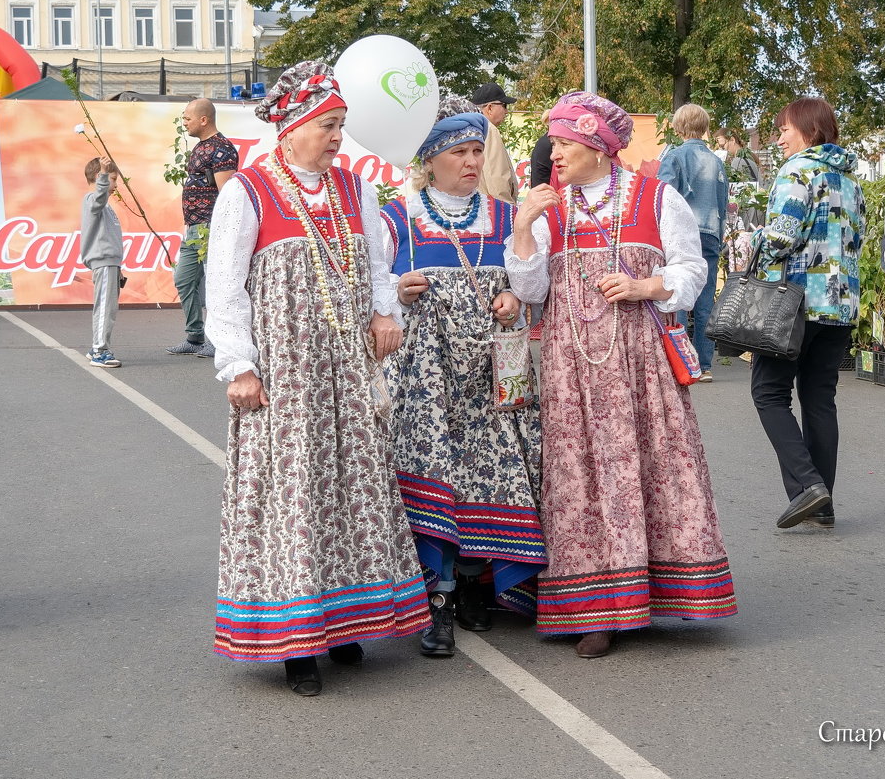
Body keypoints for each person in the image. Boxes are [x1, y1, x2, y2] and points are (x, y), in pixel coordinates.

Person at [204, 61, 430, 696]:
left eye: (341, 126)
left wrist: (385, 311)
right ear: (294, 125)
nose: (337, 137)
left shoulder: (353, 190)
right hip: (287, 369)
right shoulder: (247, 192)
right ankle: (297, 644)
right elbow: (225, 290)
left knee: (352, 486)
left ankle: (350, 623)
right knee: (297, 492)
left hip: (349, 366)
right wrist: (239, 365)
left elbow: (378, 265)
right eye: (328, 125)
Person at [509, 91, 737, 659]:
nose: (553, 153)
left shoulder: (657, 199)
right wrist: (522, 227)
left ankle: (655, 593)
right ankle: (596, 609)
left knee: (651, 465)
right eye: (554, 143)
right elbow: (530, 291)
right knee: (579, 479)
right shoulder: (549, 208)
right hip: (571, 366)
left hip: (637, 362)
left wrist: (645, 287)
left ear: (597, 145)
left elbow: (691, 269)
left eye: (563, 143)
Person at [379, 111, 546, 658]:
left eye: (478, 152)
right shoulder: (395, 219)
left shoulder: (505, 217)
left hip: (494, 374)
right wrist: (396, 295)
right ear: (429, 161)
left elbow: (534, 283)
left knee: (493, 478)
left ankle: (479, 587)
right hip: (427, 380)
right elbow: (370, 288)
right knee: (438, 478)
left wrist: (516, 298)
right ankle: (439, 601)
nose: (472, 162)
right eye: (459, 153)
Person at [750, 97, 866, 530]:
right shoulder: (850, 179)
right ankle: (825, 504)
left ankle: (807, 484)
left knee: (769, 394)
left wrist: (756, 250)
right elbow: (858, 239)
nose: (778, 138)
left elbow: (781, 237)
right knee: (820, 398)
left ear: (808, 130)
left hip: (794, 303)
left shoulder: (798, 170)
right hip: (839, 305)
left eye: (784, 129)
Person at [657, 104, 728, 382]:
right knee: (705, 297)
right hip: (710, 231)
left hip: (681, 233)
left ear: (678, 127)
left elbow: (663, 197)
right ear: (705, 127)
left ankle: (676, 359)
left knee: (674, 293)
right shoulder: (716, 161)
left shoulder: (674, 157)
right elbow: (722, 202)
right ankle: (704, 364)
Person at [167, 98, 239, 358]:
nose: (184, 122)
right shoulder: (200, 148)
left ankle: (215, 340)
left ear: (203, 119)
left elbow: (227, 194)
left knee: (213, 285)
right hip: (194, 228)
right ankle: (194, 336)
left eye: (187, 118)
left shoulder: (222, 149)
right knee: (184, 279)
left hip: (210, 228)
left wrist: (219, 228)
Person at [80, 156, 124, 368]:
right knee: (105, 308)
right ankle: (99, 351)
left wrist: (118, 266)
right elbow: (99, 198)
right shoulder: (93, 200)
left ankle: (97, 347)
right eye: (113, 179)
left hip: (110, 264)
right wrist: (105, 176)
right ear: (100, 178)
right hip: (104, 263)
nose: (115, 184)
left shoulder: (105, 208)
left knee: (108, 308)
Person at [470, 81, 519, 203]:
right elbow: (497, 179)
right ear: (490, 108)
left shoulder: (469, 129)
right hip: (493, 210)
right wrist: (507, 212)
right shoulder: (489, 130)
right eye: (504, 105)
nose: (506, 111)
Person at [715, 126, 765, 229]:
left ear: (732, 140)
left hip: (749, 216)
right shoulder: (748, 157)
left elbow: (732, 192)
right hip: (758, 213)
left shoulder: (738, 161)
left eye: (722, 145)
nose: (722, 149)